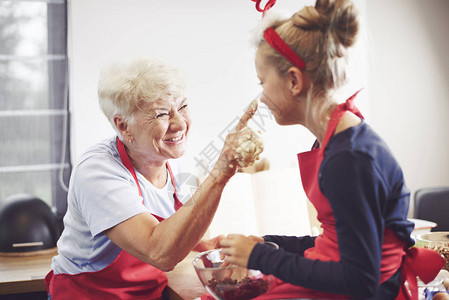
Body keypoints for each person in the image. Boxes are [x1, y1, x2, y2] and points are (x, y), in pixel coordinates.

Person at [216, 0, 445, 299]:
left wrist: (260, 256)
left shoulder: (349, 158)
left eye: (263, 82)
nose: (262, 98)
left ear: (294, 80)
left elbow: (358, 279)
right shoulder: (338, 137)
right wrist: (268, 243)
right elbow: (334, 241)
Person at [45, 56, 263, 299]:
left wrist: (207, 246)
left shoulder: (172, 161)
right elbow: (159, 252)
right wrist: (221, 172)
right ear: (124, 126)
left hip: (151, 293)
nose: (180, 124)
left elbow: (174, 226)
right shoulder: (98, 171)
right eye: (161, 114)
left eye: (182, 107)